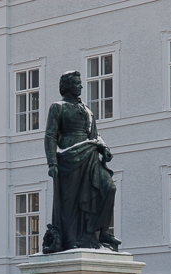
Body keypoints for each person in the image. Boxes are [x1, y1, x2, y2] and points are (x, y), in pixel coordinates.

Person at [43, 70, 121, 252]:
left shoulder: (87, 109)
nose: (80, 86)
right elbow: (50, 135)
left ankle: (102, 231)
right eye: (77, 83)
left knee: (109, 187)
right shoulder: (58, 107)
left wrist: (104, 148)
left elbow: (95, 134)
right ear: (68, 85)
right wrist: (52, 162)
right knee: (71, 201)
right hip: (68, 156)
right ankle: (72, 239)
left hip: (90, 154)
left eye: (80, 82)